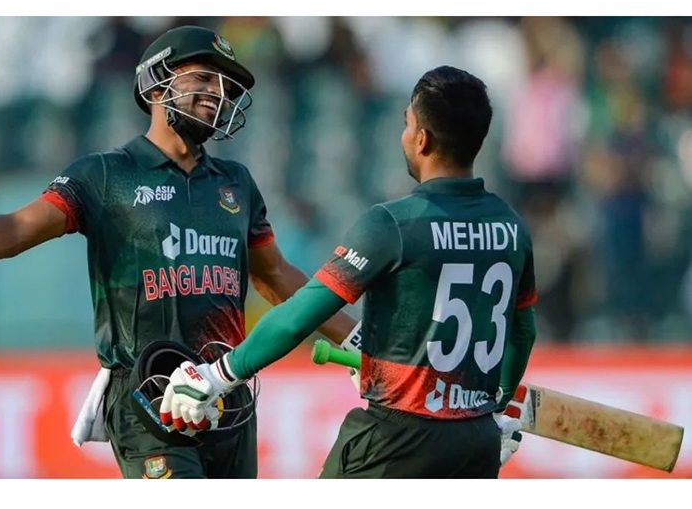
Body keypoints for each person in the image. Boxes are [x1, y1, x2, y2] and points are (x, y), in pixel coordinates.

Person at [0, 25, 358, 479]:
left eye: (224, 85)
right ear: (156, 84)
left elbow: (276, 276)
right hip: (146, 395)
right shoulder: (105, 175)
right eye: (201, 77)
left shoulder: (235, 182)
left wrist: (356, 341)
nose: (217, 93)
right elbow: (18, 228)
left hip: (225, 394)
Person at [158, 65, 537, 478]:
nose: (404, 136)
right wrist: (496, 410)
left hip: (396, 439)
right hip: (475, 441)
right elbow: (522, 333)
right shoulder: (511, 227)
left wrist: (219, 374)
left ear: (423, 139)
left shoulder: (394, 223)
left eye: (407, 125)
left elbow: (299, 316)